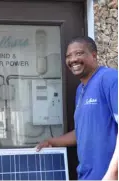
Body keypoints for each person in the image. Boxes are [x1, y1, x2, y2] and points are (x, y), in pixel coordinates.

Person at [36, 36, 118, 180]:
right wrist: (52, 142)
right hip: (87, 176)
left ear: (94, 55)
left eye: (79, 53)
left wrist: (113, 173)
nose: (73, 59)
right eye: (68, 56)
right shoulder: (80, 90)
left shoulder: (110, 79)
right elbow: (81, 131)